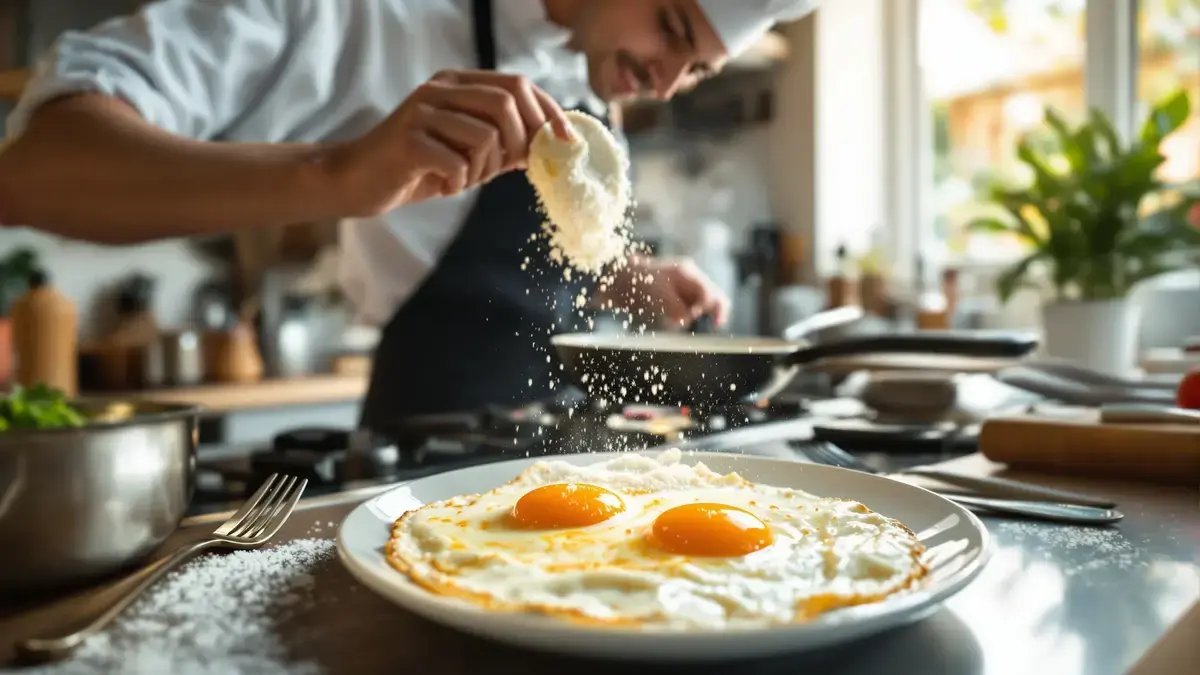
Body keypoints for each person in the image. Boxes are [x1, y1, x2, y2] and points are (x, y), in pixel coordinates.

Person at [0, 0, 818, 425]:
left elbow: (512, 267)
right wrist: (340, 172)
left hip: (552, 462)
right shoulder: (364, 16)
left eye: (697, 68)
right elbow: (36, 173)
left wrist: (621, 274)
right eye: (671, 26)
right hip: (413, 469)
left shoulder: (595, 71)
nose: (665, 80)